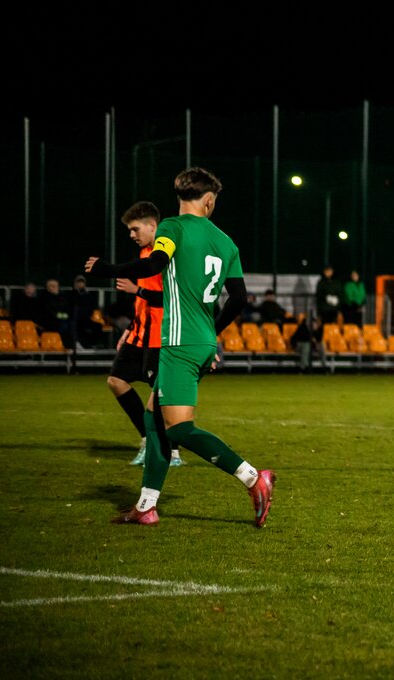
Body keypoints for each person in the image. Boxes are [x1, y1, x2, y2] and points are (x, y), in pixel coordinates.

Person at [86, 167, 275, 527]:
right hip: (201, 340)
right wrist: (210, 332)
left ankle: (253, 478)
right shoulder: (226, 242)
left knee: (178, 429)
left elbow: (155, 263)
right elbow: (238, 298)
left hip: (177, 341)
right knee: (154, 419)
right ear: (209, 200)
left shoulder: (172, 227)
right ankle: (146, 506)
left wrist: (107, 269)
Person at [101, 201, 182, 468]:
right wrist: (128, 329)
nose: (132, 234)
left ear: (152, 226)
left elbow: (170, 299)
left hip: (162, 335)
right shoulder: (145, 253)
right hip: (139, 334)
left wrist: (136, 290)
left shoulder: (165, 256)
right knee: (116, 381)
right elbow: (143, 303)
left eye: (135, 229)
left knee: (160, 394)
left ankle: (172, 450)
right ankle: (148, 439)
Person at [70, 274, 103, 349]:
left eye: (82, 282)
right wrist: (76, 291)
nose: (80, 284)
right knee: (80, 328)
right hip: (75, 319)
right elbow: (73, 304)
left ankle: (94, 344)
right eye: (78, 282)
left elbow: (93, 306)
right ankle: (83, 345)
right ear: (75, 283)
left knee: (98, 326)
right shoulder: (72, 294)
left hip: (86, 318)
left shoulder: (88, 295)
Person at [40, 278, 73, 348]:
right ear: (48, 288)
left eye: (56, 286)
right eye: (52, 286)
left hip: (62, 319)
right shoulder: (44, 298)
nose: (55, 288)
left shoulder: (63, 297)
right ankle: (67, 346)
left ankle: (72, 346)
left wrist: (63, 316)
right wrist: (62, 316)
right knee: (64, 326)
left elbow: (68, 310)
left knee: (72, 323)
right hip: (49, 321)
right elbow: (50, 312)